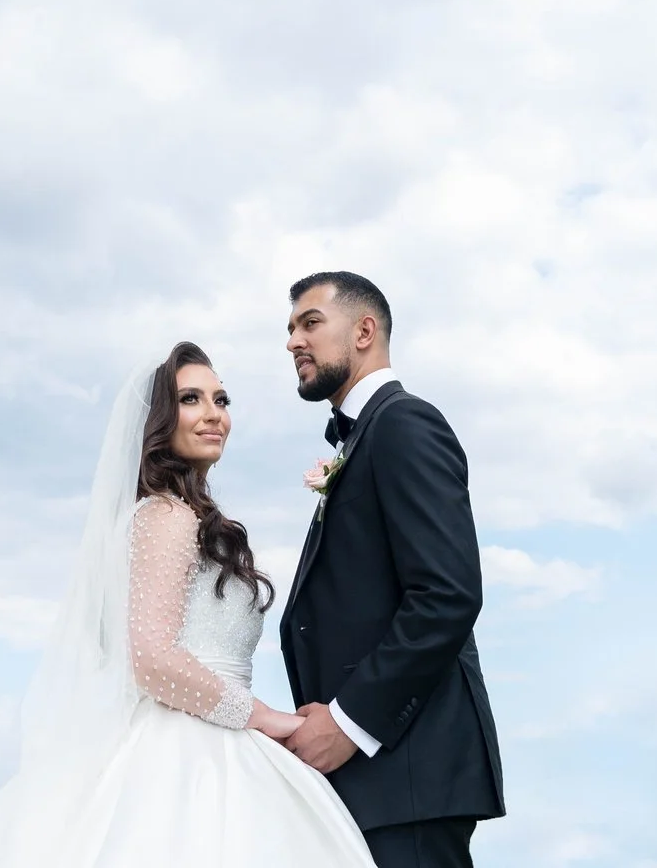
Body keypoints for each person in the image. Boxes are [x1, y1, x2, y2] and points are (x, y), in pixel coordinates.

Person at [0, 341, 376, 866]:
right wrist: (262, 716)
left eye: (221, 400)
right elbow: (152, 658)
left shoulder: (182, 517)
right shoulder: (166, 516)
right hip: (189, 750)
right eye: (191, 399)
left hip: (212, 734)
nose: (213, 414)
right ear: (159, 420)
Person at [277, 272, 505, 868]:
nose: (293, 341)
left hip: (409, 775)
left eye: (310, 322)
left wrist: (348, 724)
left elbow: (446, 594)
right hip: (376, 784)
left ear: (364, 331)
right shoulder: (362, 439)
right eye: (291, 328)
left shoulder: (404, 424)